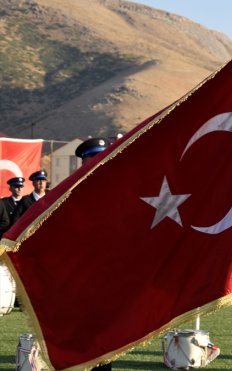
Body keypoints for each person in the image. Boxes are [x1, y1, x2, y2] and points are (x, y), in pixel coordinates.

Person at [76, 137, 114, 371]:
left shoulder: (117, 188)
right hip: (80, 270)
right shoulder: (71, 191)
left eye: (101, 156)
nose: (97, 162)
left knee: (107, 332)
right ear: (83, 162)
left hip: (109, 270)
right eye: (92, 158)